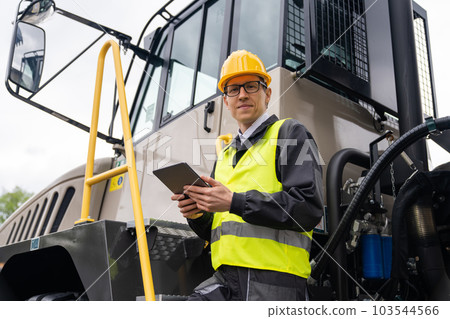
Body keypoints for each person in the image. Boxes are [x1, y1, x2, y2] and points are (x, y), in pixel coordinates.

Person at [171, 50, 323, 301]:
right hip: (226, 279)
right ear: (226, 101)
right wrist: (197, 213)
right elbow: (218, 230)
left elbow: (308, 208)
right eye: (233, 89)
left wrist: (234, 201)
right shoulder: (225, 156)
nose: (242, 94)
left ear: (268, 93)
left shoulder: (289, 133)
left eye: (251, 86)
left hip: (274, 281)